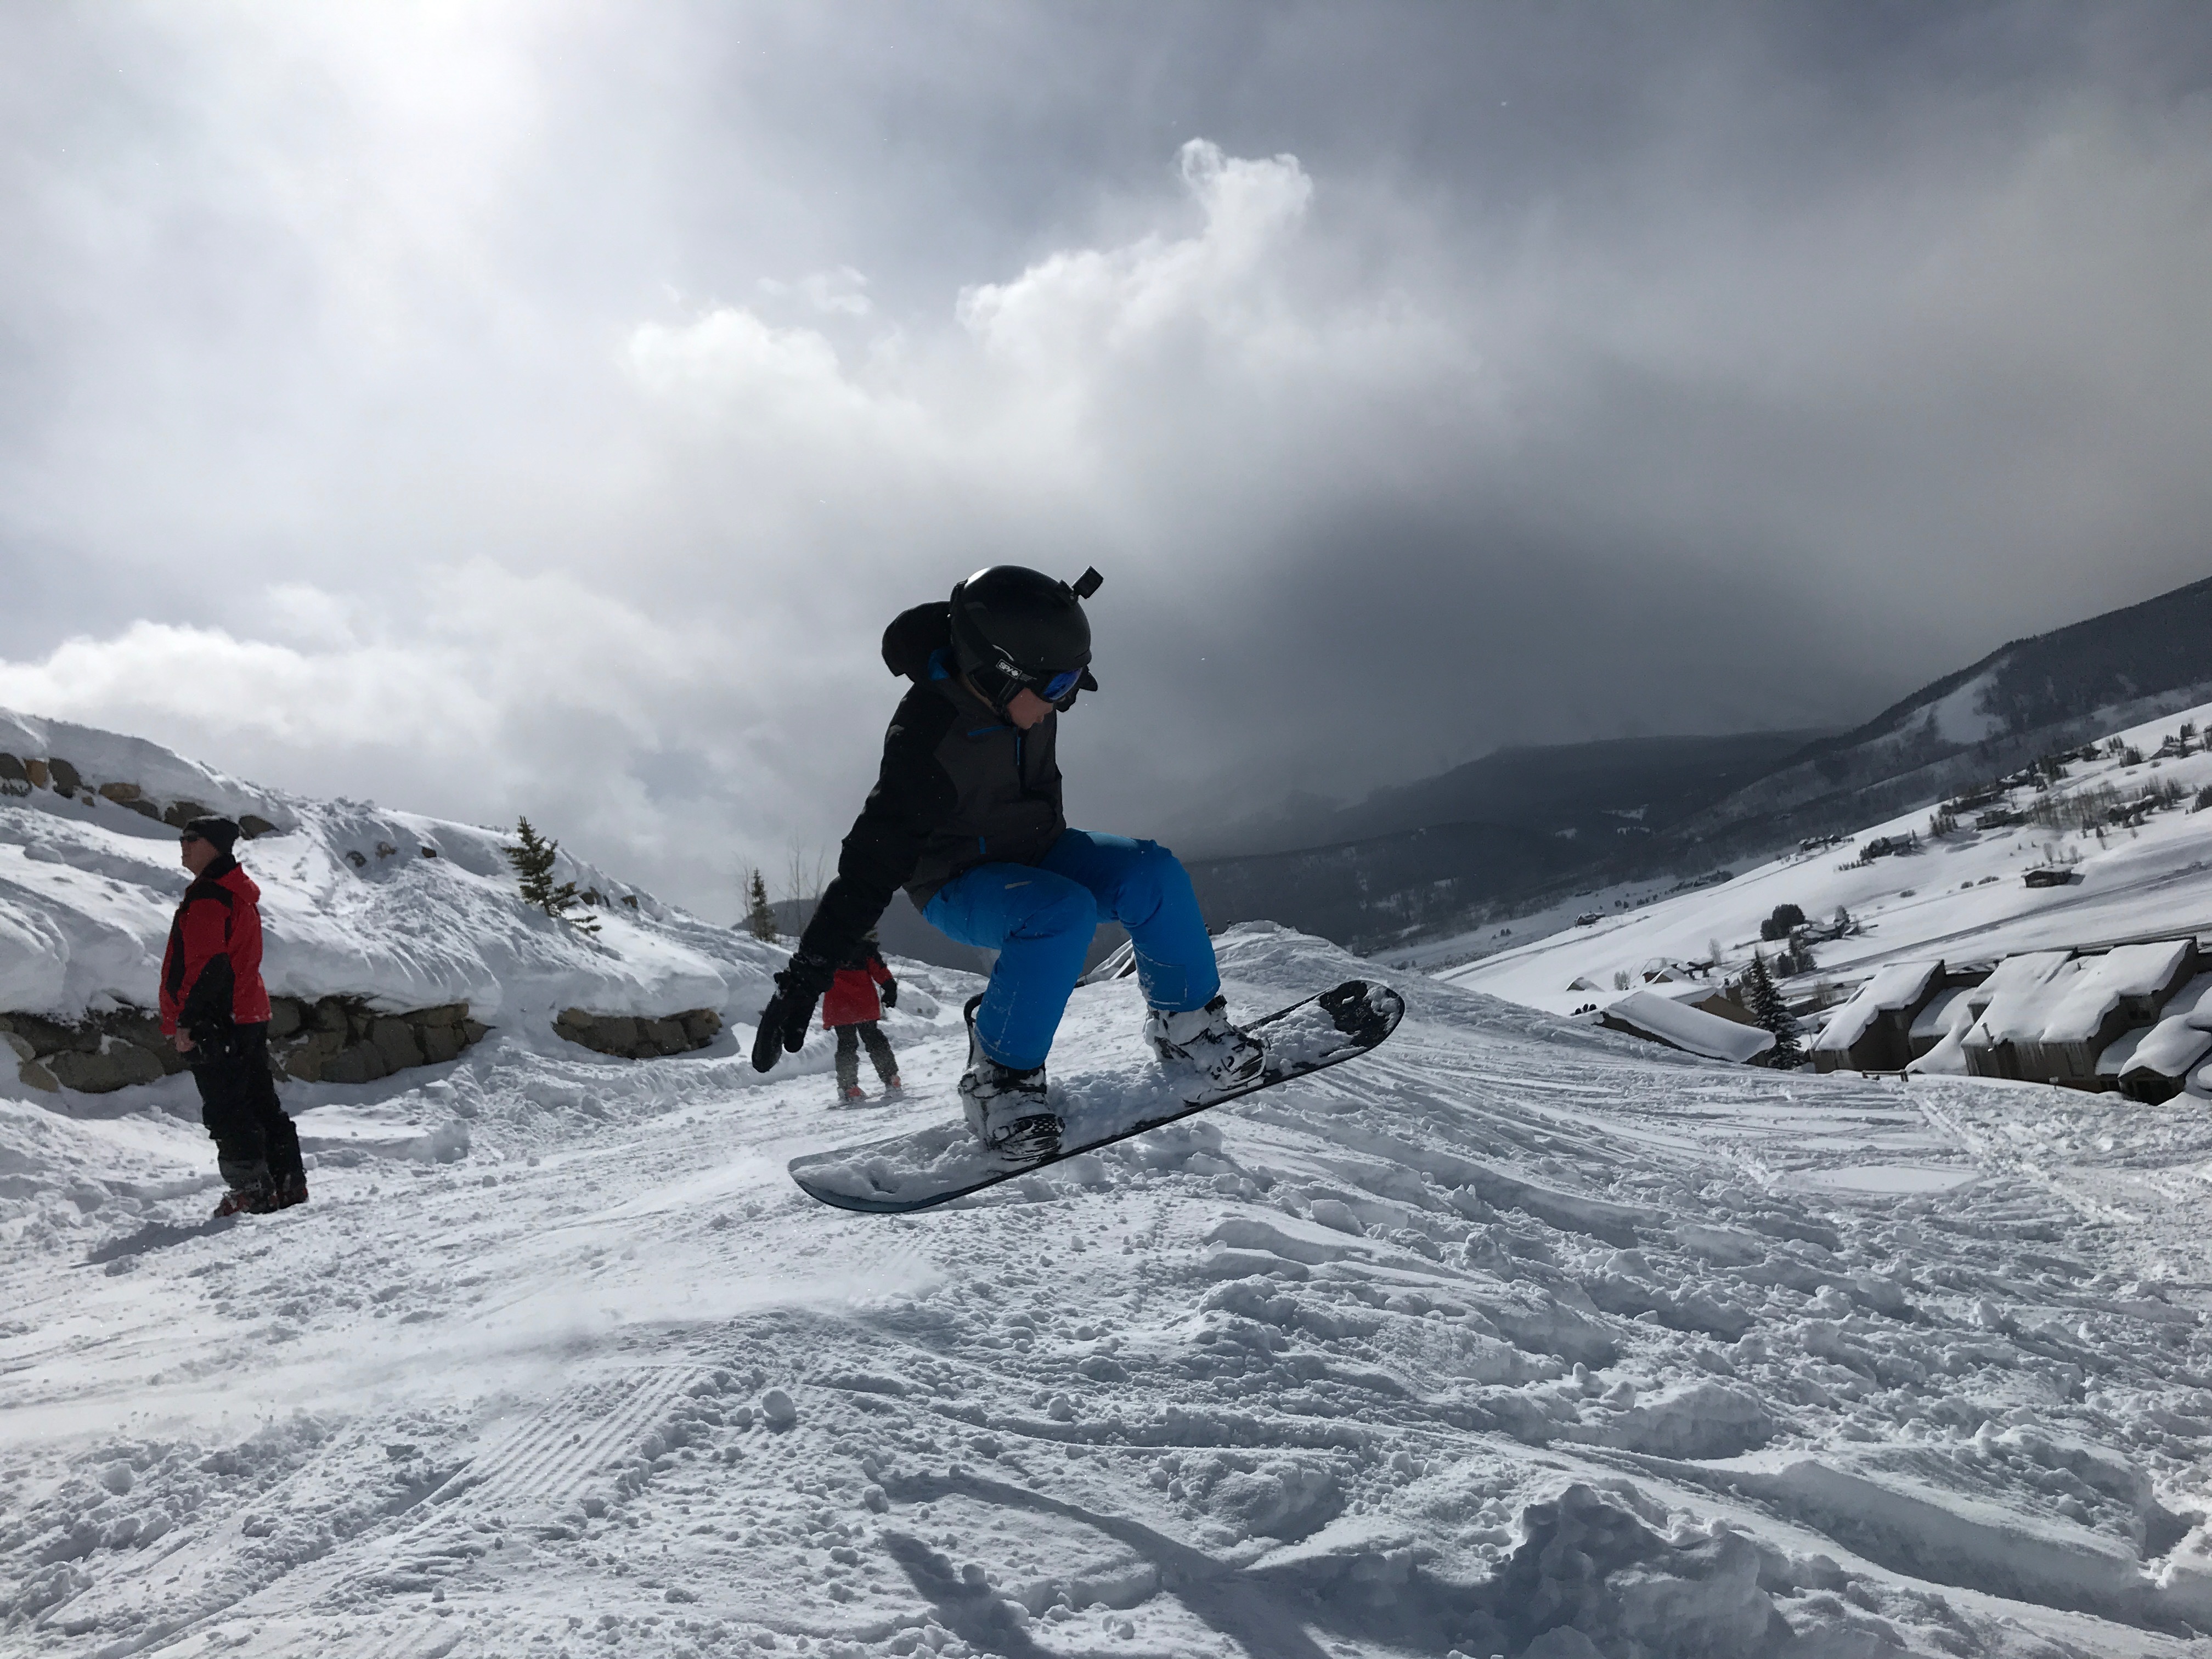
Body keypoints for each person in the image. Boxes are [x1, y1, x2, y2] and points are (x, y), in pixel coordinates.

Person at [752, 565, 1261, 1158]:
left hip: (1040, 850)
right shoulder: (927, 738)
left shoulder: (1022, 690)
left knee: (1154, 873)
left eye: (1074, 682)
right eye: (1056, 686)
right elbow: (869, 866)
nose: (1063, 701)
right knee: (1060, 913)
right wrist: (807, 976)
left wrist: (1059, 679)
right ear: (997, 674)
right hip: (959, 881)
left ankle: (1188, 1027)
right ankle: (999, 1080)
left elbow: (1044, 683)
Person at [161, 815, 308, 1217]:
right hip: (246, 1011)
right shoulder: (235, 892)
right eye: (183, 837)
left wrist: (190, 1021)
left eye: (192, 838)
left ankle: (251, 1190)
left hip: (217, 1017)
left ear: (214, 846)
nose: (183, 844)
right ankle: (287, 1182)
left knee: (226, 1106)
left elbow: (208, 964)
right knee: (259, 1098)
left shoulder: (209, 896)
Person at [823, 932, 902, 1102]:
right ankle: (891, 1078)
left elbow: (815, 973)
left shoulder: (826, 947)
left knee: (846, 1045)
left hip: (839, 1005)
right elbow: (879, 970)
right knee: (874, 1039)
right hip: (863, 1003)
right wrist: (890, 988)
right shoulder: (864, 948)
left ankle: (849, 1088)